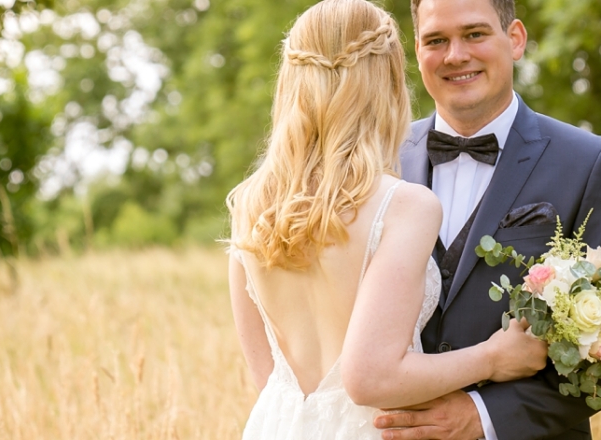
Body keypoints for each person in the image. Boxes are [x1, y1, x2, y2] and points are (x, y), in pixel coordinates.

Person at [225, 0, 549, 438]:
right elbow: (369, 378)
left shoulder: (249, 204)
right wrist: (493, 357)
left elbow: (268, 379)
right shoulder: (403, 205)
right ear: (389, 79)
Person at [373, 0, 601, 438]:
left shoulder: (590, 163)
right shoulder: (378, 159)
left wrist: (480, 416)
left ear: (515, 38)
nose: (455, 55)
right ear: (417, 52)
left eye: (475, 34)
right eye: (436, 40)